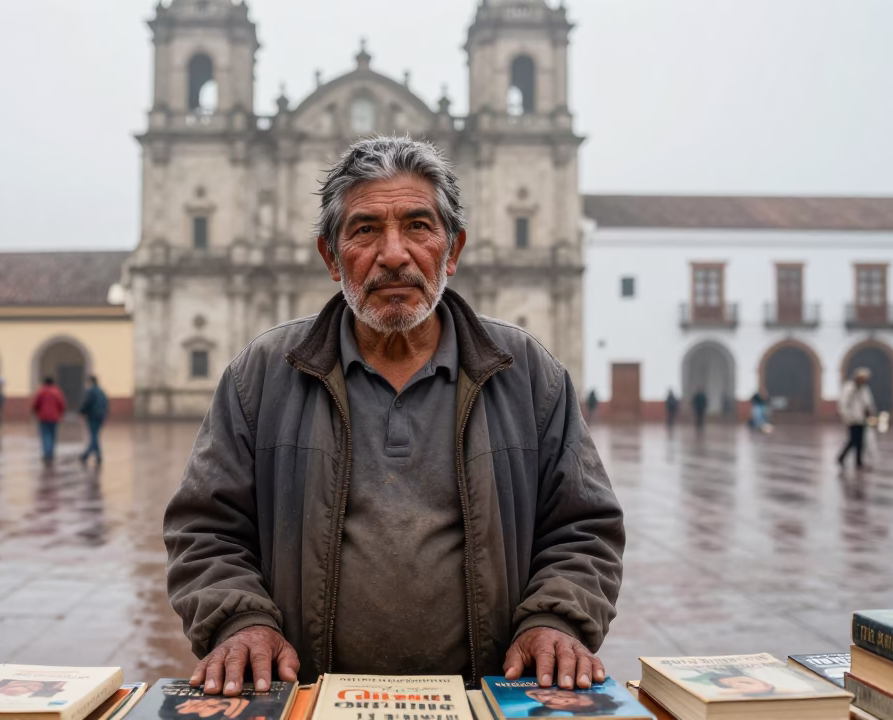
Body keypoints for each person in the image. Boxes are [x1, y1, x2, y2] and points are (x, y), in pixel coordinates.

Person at [165, 137, 624, 695]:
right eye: (364, 230)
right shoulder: (260, 376)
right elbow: (205, 529)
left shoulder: (528, 375)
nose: (393, 254)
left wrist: (557, 618)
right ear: (331, 258)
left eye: (417, 226)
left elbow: (584, 527)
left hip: (488, 699)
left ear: (452, 251)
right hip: (310, 698)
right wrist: (239, 621)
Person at [837, 368, 876, 470]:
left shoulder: (864, 389)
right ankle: (842, 457)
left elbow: (868, 402)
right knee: (853, 440)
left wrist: (870, 411)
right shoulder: (849, 388)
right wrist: (847, 416)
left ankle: (857, 461)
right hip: (852, 419)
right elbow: (844, 403)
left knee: (860, 441)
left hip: (862, 418)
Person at [31, 377, 66, 465]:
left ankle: (47, 454)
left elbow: (36, 403)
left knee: (45, 436)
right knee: (53, 435)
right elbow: (62, 404)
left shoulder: (41, 391)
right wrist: (60, 414)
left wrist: (36, 412)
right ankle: (51, 453)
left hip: (43, 417)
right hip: (54, 417)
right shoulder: (57, 391)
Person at [78, 375, 109, 466]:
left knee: (94, 435)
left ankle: (86, 454)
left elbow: (87, 402)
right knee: (95, 435)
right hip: (101, 416)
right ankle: (97, 455)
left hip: (93, 416)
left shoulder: (91, 391)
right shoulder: (101, 391)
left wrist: (81, 411)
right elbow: (106, 403)